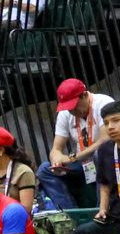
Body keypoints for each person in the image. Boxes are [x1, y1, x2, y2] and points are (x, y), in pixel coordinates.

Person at [38, 78, 115, 211]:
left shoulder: (103, 103)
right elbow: (56, 149)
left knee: (99, 154)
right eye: (68, 107)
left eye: (73, 105)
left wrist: (72, 158)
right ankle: (70, 215)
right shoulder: (65, 113)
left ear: (85, 95)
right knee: (44, 169)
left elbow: (105, 141)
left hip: (105, 159)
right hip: (82, 164)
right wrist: (56, 160)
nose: (71, 110)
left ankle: (101, 212)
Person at [70, 100, 120, 234]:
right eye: (106, 123)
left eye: (116, 121)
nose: (110, 127)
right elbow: (105, 184)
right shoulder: (106, 150)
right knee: (82, 233)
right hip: (115, 217)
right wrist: (102, 209)